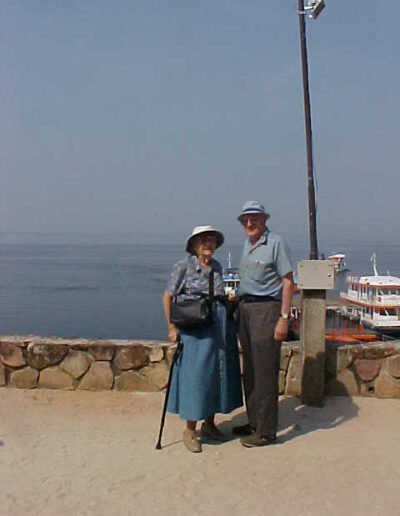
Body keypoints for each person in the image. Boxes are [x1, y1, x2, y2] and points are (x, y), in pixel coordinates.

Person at [163, 225, 243, 453]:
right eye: (204, 240)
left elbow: (214, 295)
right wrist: (171, 327)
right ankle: (190, 429)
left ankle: (209, 424)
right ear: (195, 245)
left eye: (212, 240)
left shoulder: (217, 267)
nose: (208, 244)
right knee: (195, 379)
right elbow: (168, 296)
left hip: (217, 327)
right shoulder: (183, 266)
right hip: (194, 330)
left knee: (216, 376)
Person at [234, 201, 294, 448]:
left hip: (266, 310)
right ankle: (254, 422)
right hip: (245, 310)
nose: (249, 223)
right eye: (245, 220)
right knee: (249, 371)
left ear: (264, 220)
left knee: (265, 372)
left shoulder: (276, 243)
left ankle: (267, 431)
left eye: (254, 219)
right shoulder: (246, 245)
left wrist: (284, 318)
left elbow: (288, 282)